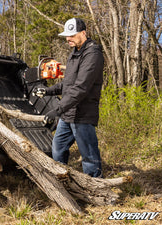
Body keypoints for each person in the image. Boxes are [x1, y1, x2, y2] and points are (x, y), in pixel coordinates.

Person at [34, 18, 104, 177]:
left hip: (83, 114)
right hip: (68, 113)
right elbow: (68, 83)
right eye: (67, 35)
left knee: (89, 156)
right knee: (58, 148)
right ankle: (63, 180)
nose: (68, 39)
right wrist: (48, 91)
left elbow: (81, 87)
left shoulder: (93, 54)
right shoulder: (75, 52)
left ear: (83, 33)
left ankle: (95, 188)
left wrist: (56, 110)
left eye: (72, 35)